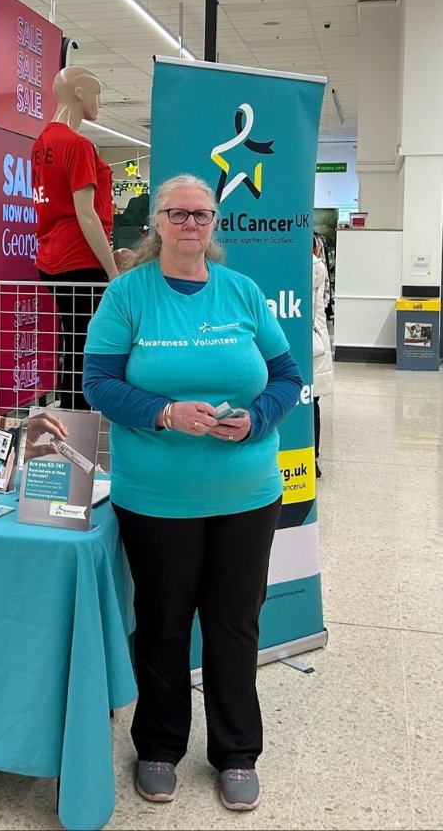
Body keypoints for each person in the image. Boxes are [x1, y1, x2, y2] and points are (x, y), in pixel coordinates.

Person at [81, 173, 302, 813]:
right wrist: (164, 413)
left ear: (214, 224)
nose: (189, 225)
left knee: (235, 625)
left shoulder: (242, 292)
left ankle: (237, 753)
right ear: (157, 223)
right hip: (156, 497)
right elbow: (98, 383)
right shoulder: (128, 295)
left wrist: (258, 419)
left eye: (201, 215)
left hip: (248, 492)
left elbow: (286, 376)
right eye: (177, 214)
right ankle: (158, 746)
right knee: (163, 625)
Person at [31, 66, 119, 410]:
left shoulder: (42, 143)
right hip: (80, 260)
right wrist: (112, 270)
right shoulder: (78, 144)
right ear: (80, 92)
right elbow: (85, 213)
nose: (98, 101)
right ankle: (77, 421)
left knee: (74, 340)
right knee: (88, 343)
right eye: (96, 92)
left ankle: (69, 417)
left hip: (51, 258)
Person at [312, 238, 334, 478]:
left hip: (310, 341)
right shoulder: (317, 265)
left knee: (310, 402)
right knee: (312, 403)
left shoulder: (308, 266)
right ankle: (313, 459)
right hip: (316, 339)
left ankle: (312, 458)